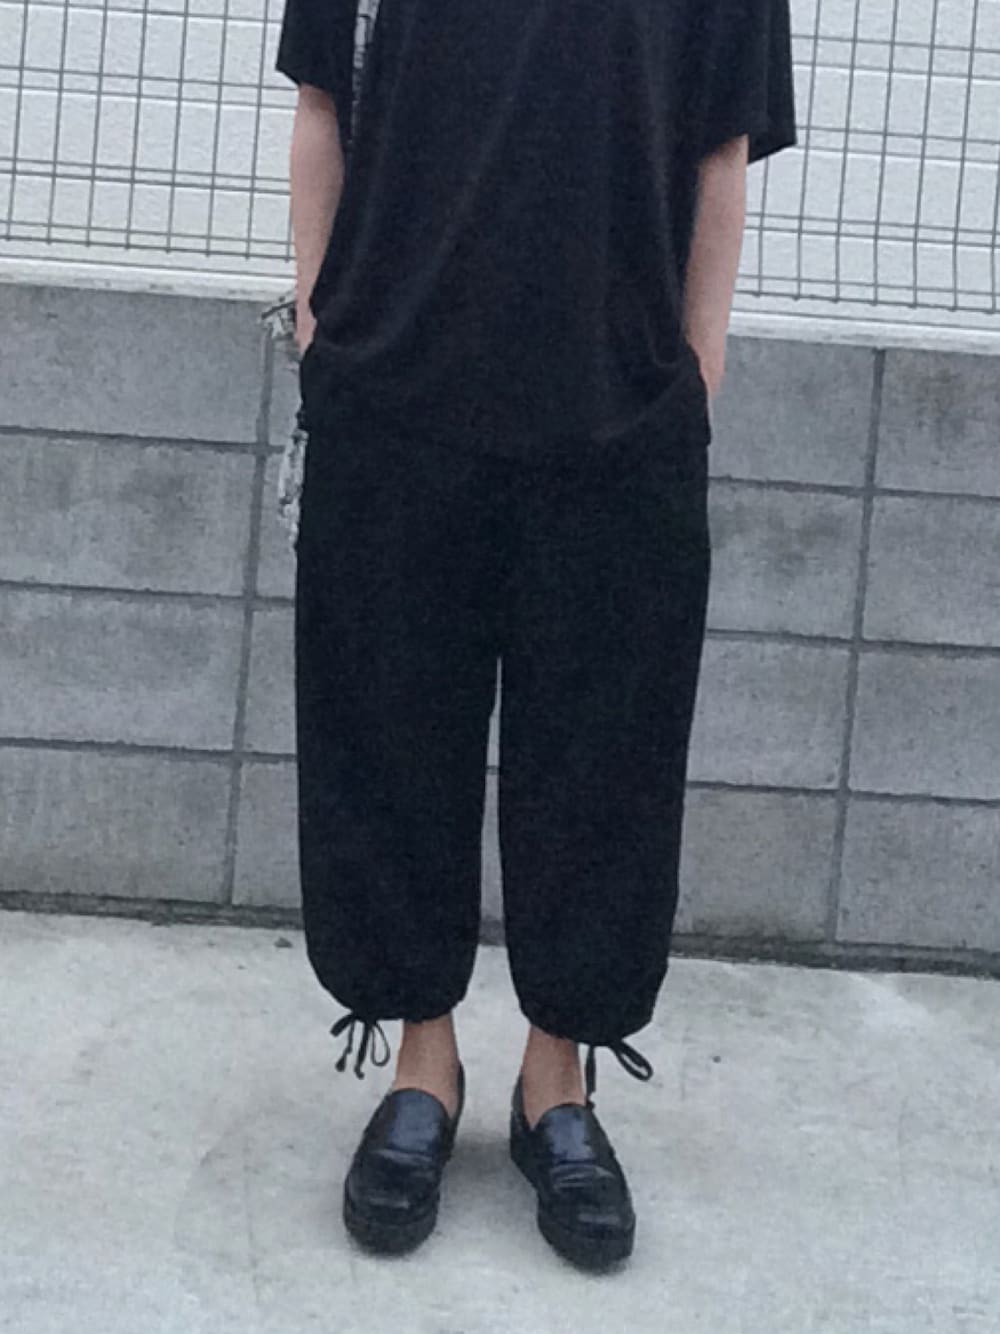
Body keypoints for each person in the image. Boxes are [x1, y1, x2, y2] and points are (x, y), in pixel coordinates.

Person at [275, 0, 796, 1271]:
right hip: (394, 393)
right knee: (389, 735)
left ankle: (554, 1081)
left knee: (602, 760)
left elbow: (720, 146)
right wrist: (316, 324)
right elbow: (323, 100)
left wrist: (695, 375)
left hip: (618, 411)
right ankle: (423, 1061)